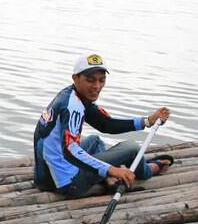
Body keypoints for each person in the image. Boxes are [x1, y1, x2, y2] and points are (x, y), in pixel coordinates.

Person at [33, 54, 173, 198]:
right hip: (67, 184)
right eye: (90, 80)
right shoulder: (73, 106)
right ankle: (149, 170)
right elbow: (70, 149)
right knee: (132, 148)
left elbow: (107, 124)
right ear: (75, 78)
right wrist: (111, 169)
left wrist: (147, 121)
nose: (97, 86)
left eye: (102, 80)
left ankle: (109, 181)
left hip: (44, 177)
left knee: (95, 140)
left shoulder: (71, 94)